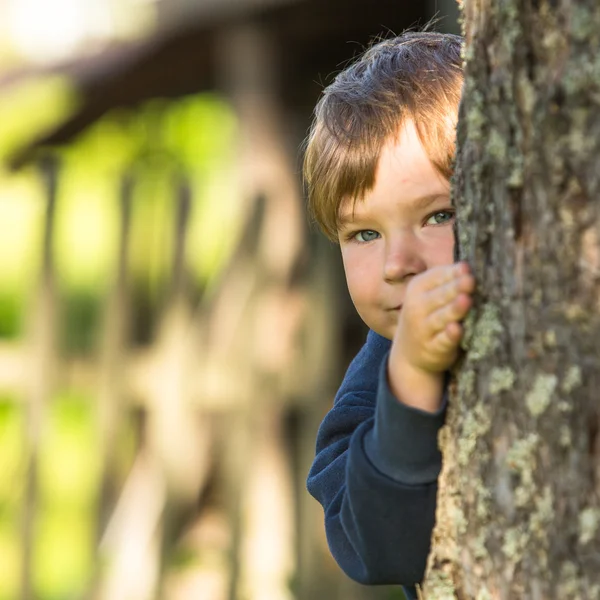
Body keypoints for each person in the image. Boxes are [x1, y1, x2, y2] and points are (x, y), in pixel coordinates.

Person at [303, 31, 475, 600]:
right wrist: (411, 380)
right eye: (366, 233)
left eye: (438, 215)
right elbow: (380, 549)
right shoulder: (368, 389)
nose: (399, 264)